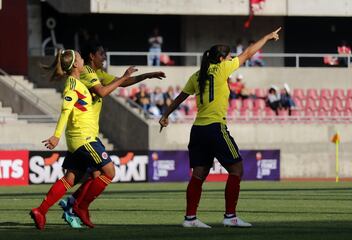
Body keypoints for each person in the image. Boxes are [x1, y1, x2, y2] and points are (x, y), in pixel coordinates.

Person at [159, 27, 281, 228]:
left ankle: (190, 218)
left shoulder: (197, 75)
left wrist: (165, 115)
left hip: (198, 130)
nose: (233, 58)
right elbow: (249, 52)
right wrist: (267, 37)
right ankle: (230, 216)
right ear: (222, 59)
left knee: (198, 174)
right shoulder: (223, 69)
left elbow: (181, 97)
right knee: (237, 169)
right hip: (215, 127)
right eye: (230, 55)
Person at [58, 40, 166, 227]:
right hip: (83, 132)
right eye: (101, 54)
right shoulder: (87, 72)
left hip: (86, 132)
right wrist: (124, 77)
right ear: (92, 56)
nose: (104, 57)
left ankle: (70, 205)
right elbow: (101, 92)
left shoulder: (97, 73)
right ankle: (72, 206)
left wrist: (148, 75)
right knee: (100, 172)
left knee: (91, 174)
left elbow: (124, 82)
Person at [29, 49, 135, 230]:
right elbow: (65, 111)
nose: (82, 59)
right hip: (83, 138)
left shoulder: (77, 82)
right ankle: (81, 207)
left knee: (70, 179)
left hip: (81, 138)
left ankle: (41, 210)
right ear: (76, 65)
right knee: (109, 172)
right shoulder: (72, 85)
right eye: (79, 57)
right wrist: (56, 136)